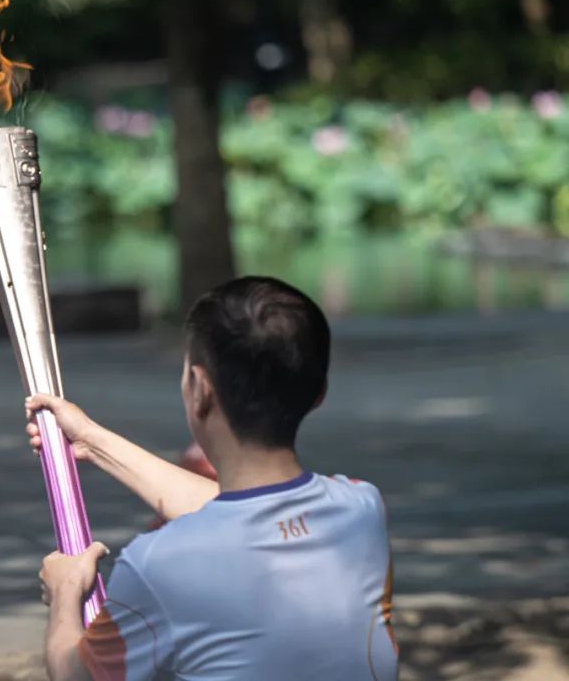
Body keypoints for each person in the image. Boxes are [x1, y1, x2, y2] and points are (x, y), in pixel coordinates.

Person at [27, 276, 398, 680]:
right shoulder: (361, 509)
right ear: (319, 394)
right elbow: (246, 516)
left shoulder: (159, 563)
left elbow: (73, 675)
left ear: (200, 389)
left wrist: (66, 593)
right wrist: (93, 442)